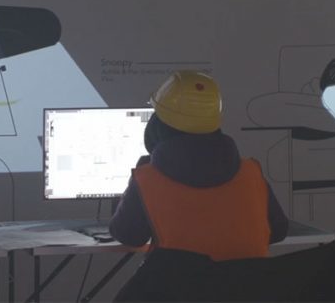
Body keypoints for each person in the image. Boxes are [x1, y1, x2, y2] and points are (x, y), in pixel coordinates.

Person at [109, 70, 288, 259]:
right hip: (246, 278)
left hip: (174, 278)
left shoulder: (148, 178)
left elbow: (129, 236)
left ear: (157, 127)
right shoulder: (251, 172)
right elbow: (278, 231)